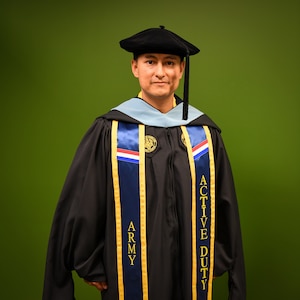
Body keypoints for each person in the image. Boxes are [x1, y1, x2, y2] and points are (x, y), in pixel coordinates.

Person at [42, 26, 246, 300]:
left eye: (169, 63)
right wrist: (91, 263)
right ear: (135, 67)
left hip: (191, 269)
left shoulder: (203, 134)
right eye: (150, 61)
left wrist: (218, 256)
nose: (160, 72)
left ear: (181, 69)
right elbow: (85, 200)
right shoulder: (111, 131)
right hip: (127, 272)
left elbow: (223, 202)